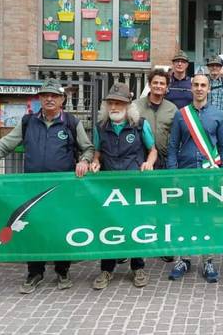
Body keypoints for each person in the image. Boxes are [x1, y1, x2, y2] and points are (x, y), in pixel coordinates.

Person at [0, 78, 94, 294]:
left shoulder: (72, 123)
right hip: (33, 189)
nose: (49, 99)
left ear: (62, 100)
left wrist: (84, 161)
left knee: (60, 228)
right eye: (45, 95)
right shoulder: (28, 122)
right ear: (39, 99)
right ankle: (34, 272)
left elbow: (88, 148)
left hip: (61, 189)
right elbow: (5, 144)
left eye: (54, 96)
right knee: (33, 229)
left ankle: (62, 270)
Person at [90, 83, 157, 290]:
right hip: (110, 186)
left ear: (128, 106)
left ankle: (138, 267)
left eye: (119, 103)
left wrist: (149, 163)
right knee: (109, 225)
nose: (114, 107)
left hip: (134, 186)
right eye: (111, 103)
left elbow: (152, 149)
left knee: (136, 225)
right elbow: (97, 151)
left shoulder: (139, 124)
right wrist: (95, 161)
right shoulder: (101, 127)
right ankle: (106, 269)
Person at [166, 73, 223, 282]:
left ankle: (208, 260)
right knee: (184, 217)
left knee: (208, 218)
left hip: (209, 174)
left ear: (209, 89)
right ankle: (184, 258)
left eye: (204, 85)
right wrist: (173, 173)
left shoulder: (218, 114)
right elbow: (172, 146)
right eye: (196, 85)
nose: (200, 88)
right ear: (191, 88)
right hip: (185, 174)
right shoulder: (181, 114)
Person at [135, 69, 178, 169]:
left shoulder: (172, 109)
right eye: (155, 82)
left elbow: (176, 136)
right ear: (149, 85)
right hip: (141, 158)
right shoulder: (135, 106)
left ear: (166, 87)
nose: (158, 86)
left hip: (164, 159)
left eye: (162, 83)